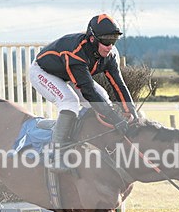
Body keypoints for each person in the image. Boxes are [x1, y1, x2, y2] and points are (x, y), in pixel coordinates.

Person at [29, 14, 138, 172]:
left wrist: (131, 111)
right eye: (106, 41)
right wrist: (115, 119)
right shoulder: (76, 52)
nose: (110, 46)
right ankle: (57, 155)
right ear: (92, 39)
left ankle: (84, 138)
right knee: (70, 102)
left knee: (104, 97)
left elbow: (118, 84)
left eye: (114, 41)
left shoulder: (111, 54)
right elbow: (89, 92)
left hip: (68, 73)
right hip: (43, 72)